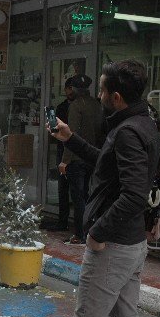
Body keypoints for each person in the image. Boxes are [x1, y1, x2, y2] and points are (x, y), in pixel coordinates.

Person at [49, 60, 158, 317]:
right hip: (131, 244)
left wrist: (97, 232)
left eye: (101, 90)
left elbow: (134, 195)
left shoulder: (127, 131)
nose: (98, 95)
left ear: (117, 96)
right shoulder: (140, 122)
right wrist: (73, 139)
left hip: (112, 247)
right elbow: (107, 165)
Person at [59, 74, 103, 245]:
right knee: (89, 195)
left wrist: (64, 160)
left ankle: (79, 234)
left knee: (78, 198)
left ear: (76, 90)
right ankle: (89, 231)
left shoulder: (76, 106)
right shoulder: (96, 105)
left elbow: (71, 134)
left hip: (77, 158)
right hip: (93, 156)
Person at [45, 78, 74, 232]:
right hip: (63, 149)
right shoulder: (62, 107)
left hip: (77, 153)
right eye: (67, 88)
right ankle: (62, 220)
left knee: (77, 190)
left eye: (72, 88)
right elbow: (55, 131)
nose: (69, 91)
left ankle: (80, 225)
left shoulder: (81, 106)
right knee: (62, 188)